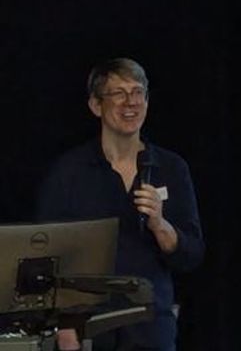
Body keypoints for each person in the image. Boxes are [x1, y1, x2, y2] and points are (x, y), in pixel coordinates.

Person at [36, 59, 203, 351]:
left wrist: (161, 226)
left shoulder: (171, 168)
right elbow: (47, 256)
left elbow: (191, 255)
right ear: (96, 105)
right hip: (88, 328)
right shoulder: (69, 172)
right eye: (119, 93)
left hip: (151, 327)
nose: (131, 103)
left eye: (138, 92)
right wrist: (63, 326)